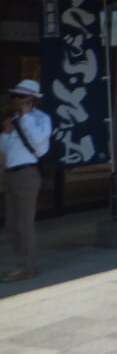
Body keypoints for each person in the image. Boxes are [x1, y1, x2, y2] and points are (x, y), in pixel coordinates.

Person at [1, 79, 52, 282]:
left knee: (24, 223)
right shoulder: (13, 119)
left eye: (20, 97)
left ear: (31, 100)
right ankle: (20, 262)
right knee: (11, 224)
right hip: (11, 173)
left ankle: (27, 266)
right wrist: (6, 132)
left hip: (27, 174)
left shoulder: (41, 119)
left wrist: (27, 117)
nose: (16, 100)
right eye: (14, 96)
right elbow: (5, 150)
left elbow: (40, 145)